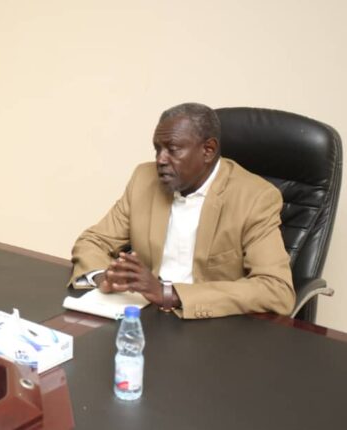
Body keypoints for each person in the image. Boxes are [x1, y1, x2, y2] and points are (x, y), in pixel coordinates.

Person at [70, 103, 294, 319]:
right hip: (144, 313)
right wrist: (104, 277)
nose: (160, 159)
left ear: (208, 150)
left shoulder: (256, 197)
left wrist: (169, 294)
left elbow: (276, 288)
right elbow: (93, 241)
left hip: (211, 322)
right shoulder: (144, 179)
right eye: (158, 149)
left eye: (173, 149)